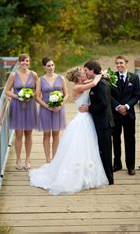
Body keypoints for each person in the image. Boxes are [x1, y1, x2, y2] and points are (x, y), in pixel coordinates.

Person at [29, 67, 108, 195]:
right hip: (82, 119)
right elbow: (93, 83)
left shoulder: (83, 84)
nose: (85, 74)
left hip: (86, 117)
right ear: (78, 77)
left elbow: (91, 82)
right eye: (83, 73)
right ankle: (76, 176)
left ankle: (86, 174)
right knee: (80, 146)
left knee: (87, 147)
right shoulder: (77, 87)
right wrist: (100, 75)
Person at [79, 61, 115, 185]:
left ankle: (109, 179)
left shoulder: (101, 85)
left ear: (93, 71)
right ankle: (104, 176)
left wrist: (88, 108)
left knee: (105, 151)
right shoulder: (97, 82)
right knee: (101, 150)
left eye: (86, 71)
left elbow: (104, 104)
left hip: (104, 123)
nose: (85, 73)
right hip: (100, 122)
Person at [5, 53, 38, 170]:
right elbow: (7, 91)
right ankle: (18, 159)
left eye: (27, 61)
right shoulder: (14, 75)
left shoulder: (34, 75)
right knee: (18, 133)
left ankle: (27, 159)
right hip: (17, 105)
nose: (25, 63)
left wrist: (30, 95)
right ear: (19, 62)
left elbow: (37, 91)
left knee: (28, 133)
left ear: (29, 62)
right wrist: (18, 97)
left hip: (30, 106)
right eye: (23, 61)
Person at [110, 55, 140, 175]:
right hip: (116, 114)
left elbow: (137, 95)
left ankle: (131, 166)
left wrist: (127, 106)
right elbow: (109, 95)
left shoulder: (134, 77)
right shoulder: (112, 77)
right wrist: (118, 107)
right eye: (117, 63)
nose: (119, 65)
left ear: (126, 63)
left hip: (129, 114)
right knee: (116, 140)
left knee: (130, 140)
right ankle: (117, 163)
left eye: (121, 63)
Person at [35, 57, 68, 163]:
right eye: (48, 65)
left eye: (52, 65)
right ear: (44, 67)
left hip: (58, 109)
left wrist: (61, 105)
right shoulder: (40, 80)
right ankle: (48, 160)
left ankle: (55, 159)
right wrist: (47, 106)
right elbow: (37, 97)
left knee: (56, 134)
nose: (51, 67)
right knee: (47, 134)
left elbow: (66, 94)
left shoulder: (61, 78)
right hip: (45, 109)